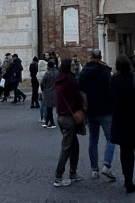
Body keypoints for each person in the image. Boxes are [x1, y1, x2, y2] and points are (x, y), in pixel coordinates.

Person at [110, 54, 135, 194]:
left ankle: (125, 174)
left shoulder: (113, 79)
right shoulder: (134, 79)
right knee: (130, 151)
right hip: (132, 117)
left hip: (118, 117)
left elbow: (110, 98)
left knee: (122, 148)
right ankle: (129, 179)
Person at [79, 49, 116, 182]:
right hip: (105, 109)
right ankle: (106, 164)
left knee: (93, 140)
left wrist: (85, 106)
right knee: (111, 138)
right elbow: (111, 90)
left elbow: (81, 90)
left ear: (91, 56)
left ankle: (94, 169)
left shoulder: (85, 71)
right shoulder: (105, 71)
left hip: (90, 110)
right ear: (101, 56)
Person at [53, 58, 84, 187]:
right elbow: (77, 98)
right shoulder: (70, 81)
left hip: (61, 116)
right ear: (67, 67)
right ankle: (58, 177)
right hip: (69, 118)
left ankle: (73, 173)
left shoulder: (60, 80)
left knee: (74, 146)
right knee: (66, 148)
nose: (75, 67)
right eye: (72, 65)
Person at [40, 60, 58, 128]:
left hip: (48, 91)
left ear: (48, 66)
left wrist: (43, 89)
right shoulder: (57, 73)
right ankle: (47, 122)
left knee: (49, 108)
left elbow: (42, 83)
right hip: (55, 91)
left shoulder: (47, 73)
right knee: (50, 108)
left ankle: (52, 123)